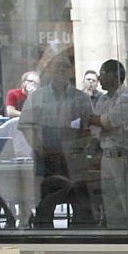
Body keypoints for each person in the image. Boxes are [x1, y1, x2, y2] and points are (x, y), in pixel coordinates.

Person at [20, 56, 96, 226]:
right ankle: (45, 241)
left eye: (65, 67)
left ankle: (80, 244)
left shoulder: (81, 98)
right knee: (45, 206)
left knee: (80, 205)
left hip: (74, 160)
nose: (61, 71)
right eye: (57, 67)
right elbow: (25, 125)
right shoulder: (37, 97)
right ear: (50, 71)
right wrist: (38, 147)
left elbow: (90, 128)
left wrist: (80, 147)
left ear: (71, 71)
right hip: (46, 160)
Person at [92, 58, 128, 228]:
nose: (99, 78)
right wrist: (102, 124)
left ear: (114, 75)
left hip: (125, 158)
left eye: (103, 73)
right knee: (112, 209)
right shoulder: (103, 100)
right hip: (107, 158)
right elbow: (95, 128)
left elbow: (108, 121)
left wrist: (103, 123)